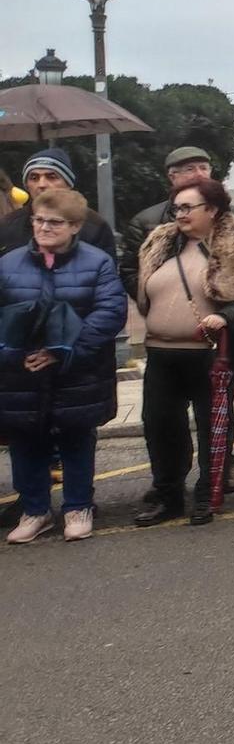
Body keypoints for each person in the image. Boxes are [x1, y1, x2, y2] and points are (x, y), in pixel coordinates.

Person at [132, 176, 234, 525]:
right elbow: (132, 275)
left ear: (212, 209)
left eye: (187, 207)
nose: (179, 213)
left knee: (214, 425)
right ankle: (168, 495)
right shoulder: (161, 242)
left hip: (211, 354)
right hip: (161, 354)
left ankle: (209, 493)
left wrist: (226, 317)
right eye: (176, 207)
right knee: (160, 425)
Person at [0, 189, 125, 542]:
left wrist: (64, 351)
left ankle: (77, 507)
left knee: (76, 439)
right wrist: (13, 354)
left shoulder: (98, 262)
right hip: (21, 373)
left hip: (76, 371)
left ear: (75, 226)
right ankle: (35, 511)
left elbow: (109, 312)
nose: (44, 227)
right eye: (38, 220)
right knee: (25, 441)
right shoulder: (7, 264)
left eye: (54, 222)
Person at [121, 145, 212, 298]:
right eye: (190, 169)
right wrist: (157, 302)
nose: (200, 174)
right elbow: (130, 273)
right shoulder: (145, 221)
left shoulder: (230, 214)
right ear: (172, 176)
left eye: (204, 168)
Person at [0, 149, 117, 259]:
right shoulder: (8, 225)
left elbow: (107, 273)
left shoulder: (95, 225)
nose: (41, 184)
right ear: (27, 186)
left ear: (68, 183)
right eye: (34, 178)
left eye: (51, 177)